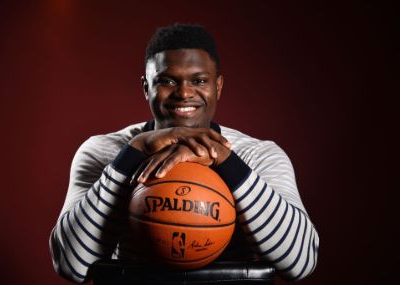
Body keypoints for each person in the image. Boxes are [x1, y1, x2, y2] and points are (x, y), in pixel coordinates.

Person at [49, 23, 319, 283]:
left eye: (199, 80)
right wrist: (136, 151)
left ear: (218, 87)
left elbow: (300, 263)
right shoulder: (103, 152)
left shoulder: (258, 156)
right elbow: (72, 265)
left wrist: (223, 159)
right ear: (146, 88)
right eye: (167, 80)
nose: (184, 93)